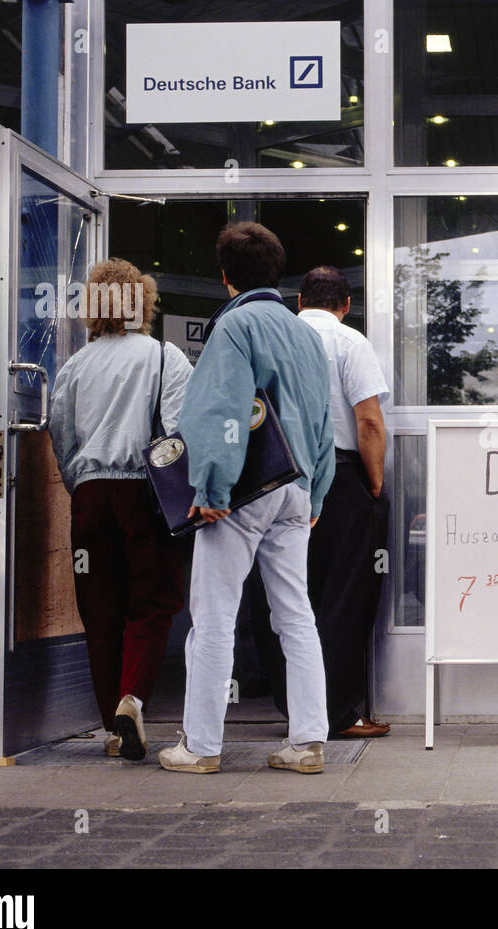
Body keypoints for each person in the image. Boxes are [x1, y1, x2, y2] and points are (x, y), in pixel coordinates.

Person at [158, 222, 335, 774]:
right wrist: (317, 497)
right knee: (297, 616)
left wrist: (210, 488)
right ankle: (307, 742)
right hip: (298, 488)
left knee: (213, 619)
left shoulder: (233, 327)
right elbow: (325, 424)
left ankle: (202, 747)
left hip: (241, 494)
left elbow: (221, 413)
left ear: (225, 276)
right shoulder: (305, 333)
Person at [48, 258, 192, 761]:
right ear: (145, 303)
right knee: (152, 603)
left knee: (100, 609)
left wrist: (81, 484)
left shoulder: (75, 365)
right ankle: (133, 698)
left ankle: (112, 725)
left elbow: (61, 435)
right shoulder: (162, 356)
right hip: (145, 494)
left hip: (91, 497)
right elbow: (178, 430)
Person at [248, 265, 392, 738]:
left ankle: (294, 707)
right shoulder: (350, 342)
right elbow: (368, 421)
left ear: (298, 301)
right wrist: (373, 485)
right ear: (346, 304)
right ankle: (339, 713)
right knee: (343, 596)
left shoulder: (273, 339)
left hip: (274, 476)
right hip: (340, 477)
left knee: (283, 594)